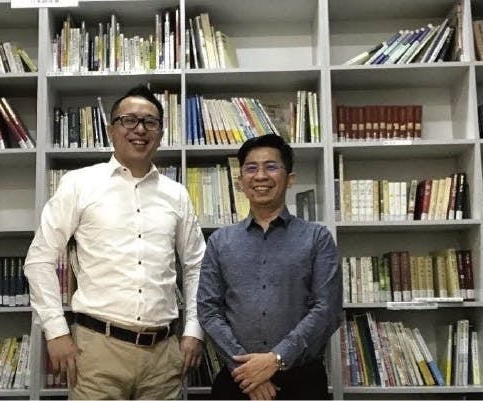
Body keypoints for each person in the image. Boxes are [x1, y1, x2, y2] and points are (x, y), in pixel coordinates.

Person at [24, 85, 206, 399]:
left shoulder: (176, 194)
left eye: (150, 122)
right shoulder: (79, 184)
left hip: (163, 355)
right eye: (129, 120)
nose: (140, 129)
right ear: (111, 130)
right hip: (96, 351)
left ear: (161, 133)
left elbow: (196, 265)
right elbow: (39, 259)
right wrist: (55, 331)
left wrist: (194, 330)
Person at [197, 134, 342, 400]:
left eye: (271, 167)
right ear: (241, 181)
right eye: (251, 168)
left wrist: (276, 359)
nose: (260, 176)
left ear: (290, 179)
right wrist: (247, 371)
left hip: (302, 381)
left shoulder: (317, 238)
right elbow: (208, 310)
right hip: (237, 380)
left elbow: (327, 309)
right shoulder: (219, 241)